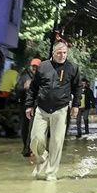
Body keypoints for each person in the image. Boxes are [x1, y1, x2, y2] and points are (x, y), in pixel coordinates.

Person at [26, 40, 83, 180]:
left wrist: (76, 105)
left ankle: (51, 173)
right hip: (42, 108)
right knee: (35, 139)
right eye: (59, 53)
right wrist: (29, 105)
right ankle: (42, 157)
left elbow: (78, 87)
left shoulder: (72, 68)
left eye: (65, 53)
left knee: (57, 142)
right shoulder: (43, 66)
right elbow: (33, 87)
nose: (62, 55)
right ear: (53, 53)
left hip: (61, 109)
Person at [15, 58, 41, 158]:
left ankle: (30, 148)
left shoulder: (42, 77)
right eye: (33, 66)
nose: (34, 68)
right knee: (25, 127)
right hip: (25, 105)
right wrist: (24, 87)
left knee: (34, 127)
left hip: (37, 105)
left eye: (36, 67)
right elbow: (17, 89)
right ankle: (27, 148)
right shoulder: (24, 76)